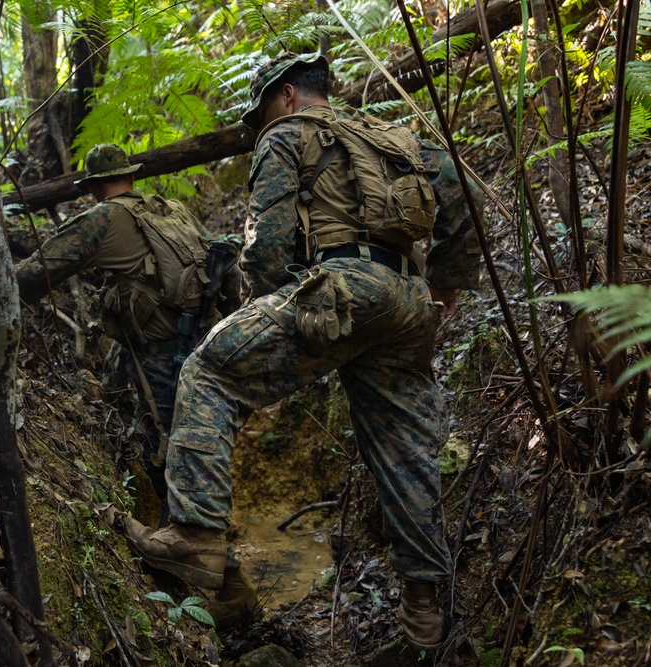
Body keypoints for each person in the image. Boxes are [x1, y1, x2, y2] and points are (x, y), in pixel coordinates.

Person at [125, 52, 484, 648]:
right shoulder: (387, 135)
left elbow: (267, 245)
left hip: (342, 289)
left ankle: (195, 537)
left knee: (208, 371)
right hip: (408, 303)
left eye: (261, 110)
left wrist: (268, 318)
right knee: (403, 449)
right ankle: (425, 611)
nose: (258, 125)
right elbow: (467, 193)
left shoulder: (287, 134)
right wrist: (441, 285)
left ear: (287, 95)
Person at [16, 143, 240, 527]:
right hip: (201, 342)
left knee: (171, 455)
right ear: (131, 176)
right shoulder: (171, 209)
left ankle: (205, 560)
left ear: (93, 187)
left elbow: (35, 272)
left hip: (161, 355)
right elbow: (228, 268)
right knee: (168, 436)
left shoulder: (102, 219)